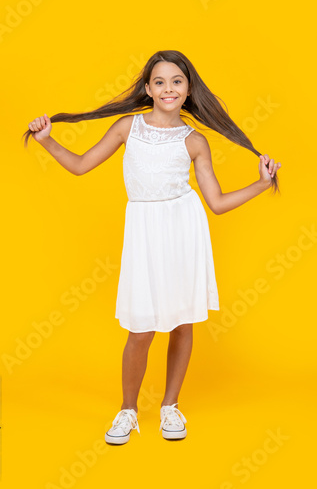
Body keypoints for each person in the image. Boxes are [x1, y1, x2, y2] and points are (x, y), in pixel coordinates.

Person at [23, 50, 281, 445]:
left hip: (183, 230)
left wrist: (262, 184)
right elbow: (80, 165)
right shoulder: (129, 128)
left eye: (176, 81)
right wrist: (46, 141)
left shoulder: (195, 141)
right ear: (147, 89)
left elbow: (217, 203)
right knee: (140, 329)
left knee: (182, 322)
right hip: (144, 232)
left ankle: (170, 406)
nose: (168, 88)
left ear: (188, 88)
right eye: (159, 82)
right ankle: (128, 411)